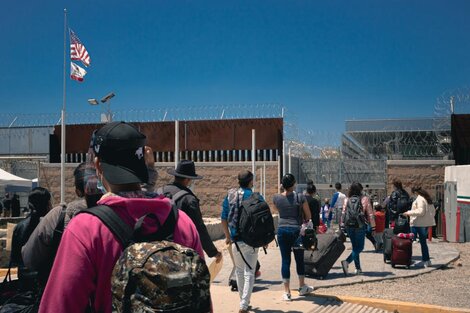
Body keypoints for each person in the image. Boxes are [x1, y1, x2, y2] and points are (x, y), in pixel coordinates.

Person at [39, 121, 204, 313]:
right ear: (143, 164)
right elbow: (201, 301)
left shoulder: (86, 229)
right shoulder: (182, 222)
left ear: (98, 165)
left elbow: (59, 306)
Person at [162, 160, 222, 262]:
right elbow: (199, 228)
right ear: (187, 179)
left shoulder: (158, 192)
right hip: (179, 250)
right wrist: (213, 252)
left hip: (156, 247)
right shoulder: (189, 199)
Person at [221, 170, 261, 313]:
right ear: (251, 182)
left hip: (235, 239)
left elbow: (223, 217)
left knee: (239, 270)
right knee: (249, 271)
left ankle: (243, 301)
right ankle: (244, 304)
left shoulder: (230, 196)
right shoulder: (256, 196)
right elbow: (262, 218)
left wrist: (227, 236)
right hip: (251, 240)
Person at [272, 173, 313, 301]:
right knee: (299, 259)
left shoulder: (276, 198)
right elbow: (308, 215)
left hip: (282, 230)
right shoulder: (300, 197)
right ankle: (302, 287)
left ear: (282, 185)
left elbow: (277, 209)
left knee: (285, 260)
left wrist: (282, 190)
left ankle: (287, 292)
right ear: (294, 184)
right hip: (296, 231)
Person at [10, 187, 52, 283]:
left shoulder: (19, 227)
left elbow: (14, 258)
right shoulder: (50, 226)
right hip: (44, 279)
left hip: (24, 278)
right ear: (47, 204)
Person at [340, 182, 375, 276]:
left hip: (349, 225)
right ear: (360, 190)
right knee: (360, 247)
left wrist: (342, 225)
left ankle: (358, 268)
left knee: (355, 247)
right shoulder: (365, 199)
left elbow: (343, 212)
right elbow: (370, 214)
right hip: (360, 225)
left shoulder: (347, 199)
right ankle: (346, 262)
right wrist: (373, 226)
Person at [402, 186, 436, 267]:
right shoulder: (427, 198)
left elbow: (421, 212)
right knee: (423, 243)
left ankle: (408, 259)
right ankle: (427, 260)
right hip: (426, 223)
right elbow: (433, 211)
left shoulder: (420, 199)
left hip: (418, 223)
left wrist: (408, 212)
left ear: (415, 192)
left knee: (409, 242)